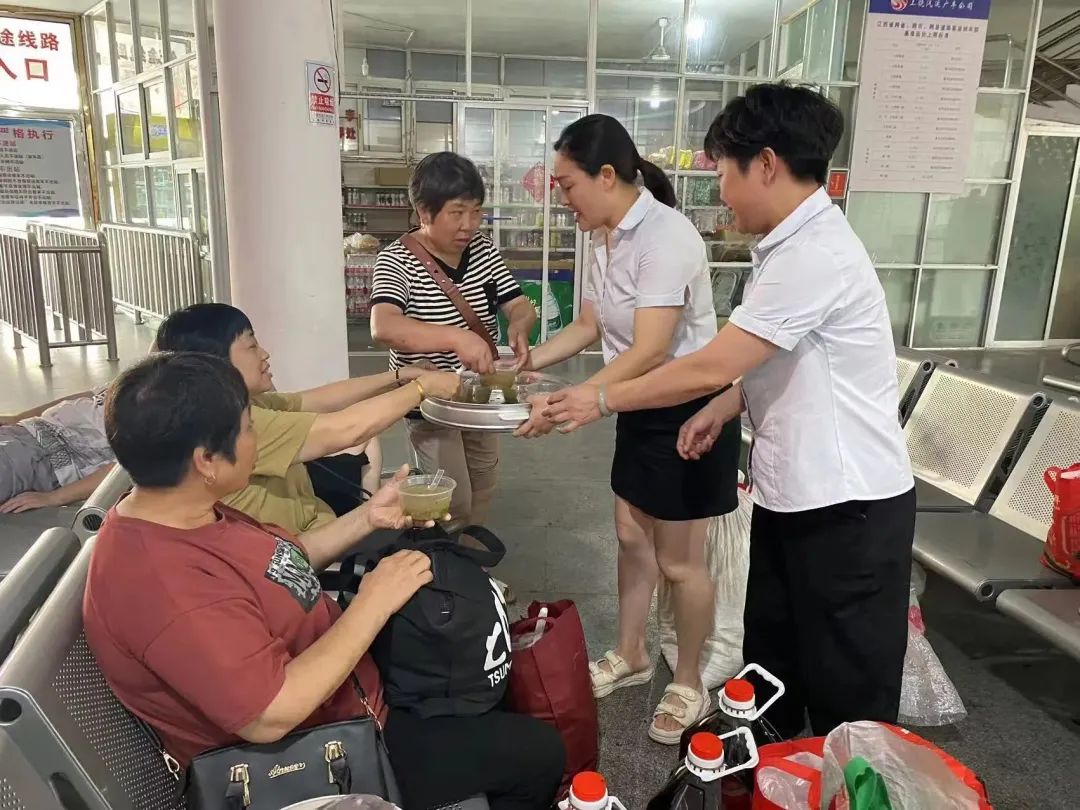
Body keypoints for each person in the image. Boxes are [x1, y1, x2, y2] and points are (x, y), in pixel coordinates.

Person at [545, 84, 916, 739]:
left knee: (847, 699)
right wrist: (724, 405)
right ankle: (768, 770)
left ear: (765, 164)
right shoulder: (785, 247)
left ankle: (833, 775)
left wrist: (598, 397)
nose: (720, 191)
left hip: (847, 506)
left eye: (723, 172)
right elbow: (776, 360)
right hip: (793, 494)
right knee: (774, 668)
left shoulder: (814, 254)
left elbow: (711, 361)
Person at [84, 352, 565, 810]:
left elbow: (284, 562)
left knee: (480, 679)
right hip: (318, 754)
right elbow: (271, 713)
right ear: (206, 460)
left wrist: (368, 517)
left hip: (345, 691)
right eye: (248, 428)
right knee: (537, 754)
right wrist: (374, 601)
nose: (257, 440)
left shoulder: (185, 510)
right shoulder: (162, 582)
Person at [515, 114, 741, 745]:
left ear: (607, 175)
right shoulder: (605, 237)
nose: (562, 199)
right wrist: (523, 364)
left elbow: (651, 348)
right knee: (630, 536)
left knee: (680, 561)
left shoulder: (666, 235)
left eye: (567, 185)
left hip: (688, 410)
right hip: (638, 403)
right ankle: (632, 652)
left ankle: (689, 680)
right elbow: (590, 326)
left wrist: (587, 397)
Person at [156, 303, 459, 535]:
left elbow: (319, 399)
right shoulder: (233, 422)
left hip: (315, 527)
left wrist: (400, 376)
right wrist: (421, 389)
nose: (265, 353)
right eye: (251, 345)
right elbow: (347, 429)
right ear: (214, 362)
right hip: (301, 550)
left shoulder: (246, 403)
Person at [370, 152, 537, 529]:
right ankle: (443, 560)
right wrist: (455, 338)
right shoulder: (396, 260)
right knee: (452, 499)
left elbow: (518, 303)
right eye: (457, 213)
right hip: (430, 399)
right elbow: (384, 326)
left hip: (479, 394)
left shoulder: (483, 251)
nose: (469, 225)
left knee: (484, 480)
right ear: (424, 212)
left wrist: (520, 323)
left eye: (476, 212)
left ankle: (471, 558)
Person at [0, 389, 115, 514]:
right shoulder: (125, 383)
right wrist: (17, 418)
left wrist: (54, 498)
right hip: (22, 430)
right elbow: (84, 397)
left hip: (44, 460)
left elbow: (122, 470)